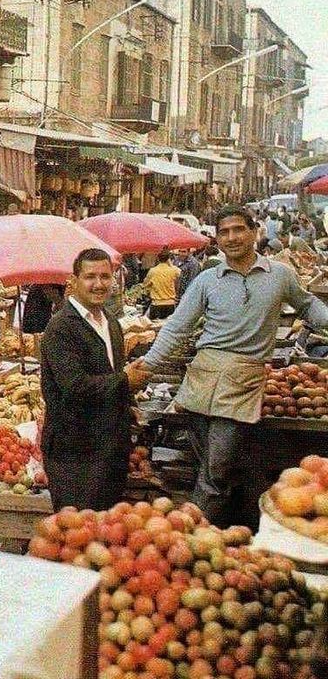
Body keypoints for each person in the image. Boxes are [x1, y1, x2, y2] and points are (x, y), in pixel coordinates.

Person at [135, 204, 328, 528]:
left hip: (243, 381)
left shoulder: (280, 275)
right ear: (218, 239)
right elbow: (178, 326)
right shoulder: (207, 279)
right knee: (211, 467)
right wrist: (149, 363)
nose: (232, 237)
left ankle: (188, 533)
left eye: (239, 229)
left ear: (255, 232)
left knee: (217, 468)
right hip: (201, 381)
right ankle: (214, 532)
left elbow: (308, 306)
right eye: (224, 232)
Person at [39, 249, 149, 511]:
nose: (98, 284)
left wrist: (128, 404)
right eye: (90, 277)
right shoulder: (61, 327)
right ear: (74, 280)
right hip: (75, 453)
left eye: (105, 276)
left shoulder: (110, 322)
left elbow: (110, 373)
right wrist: (126, 382)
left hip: (109, 448)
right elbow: (75, 387)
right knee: (77, 533)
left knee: (106, 532)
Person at [142, 249, 181, 319]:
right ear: (168, 259)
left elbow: (145, 284)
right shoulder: (173, 270)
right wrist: (170, 264)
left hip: (156, 304)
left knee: (154, 327)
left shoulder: (153, 271)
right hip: (170, 303)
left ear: (158, 258)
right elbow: (179, 272)